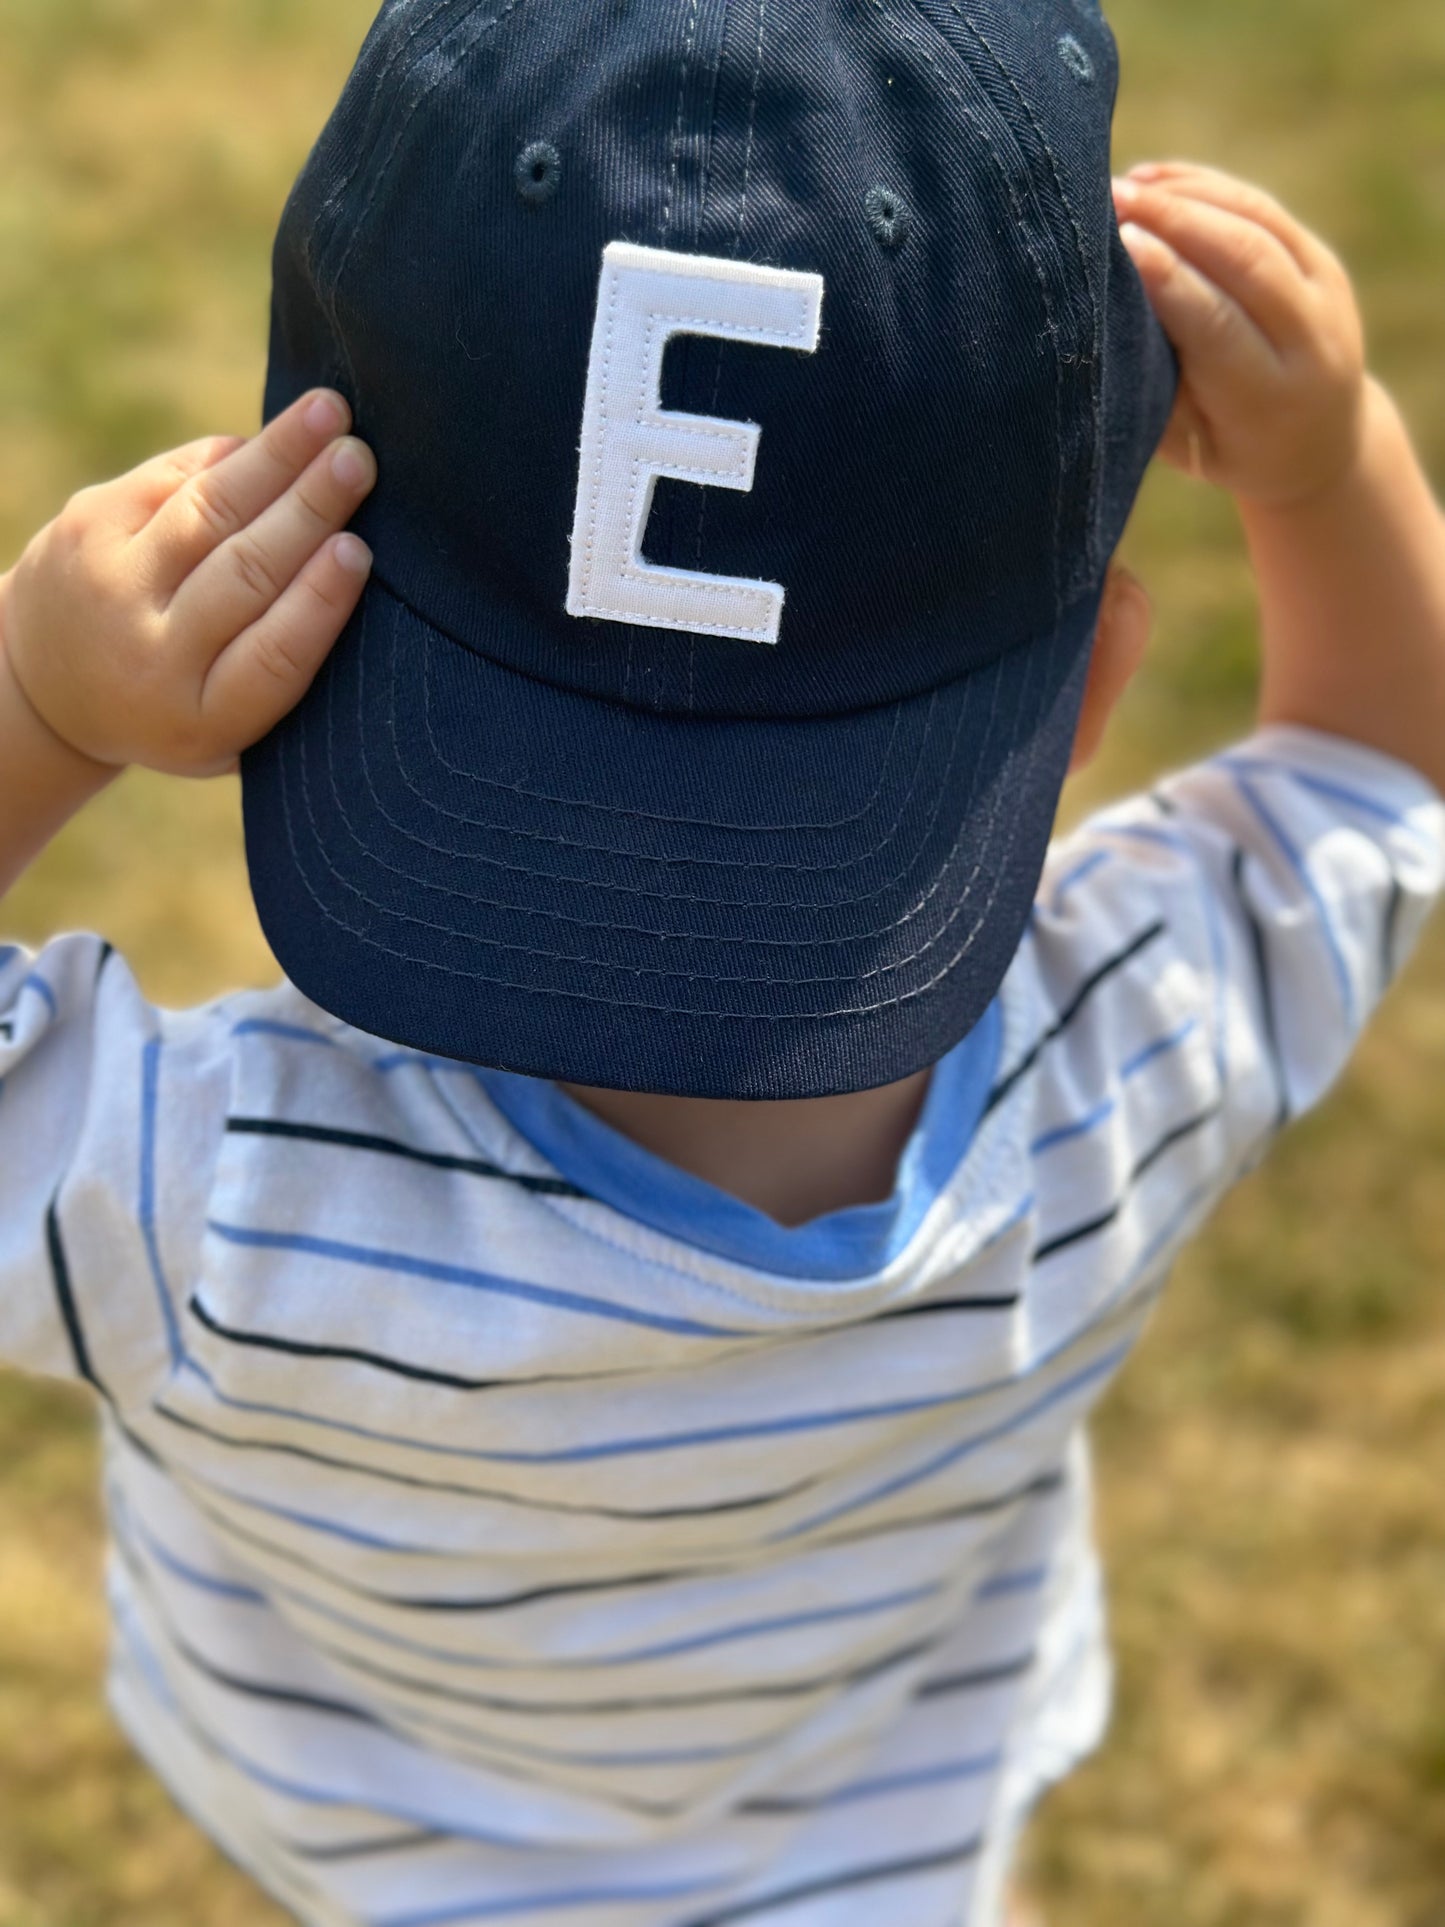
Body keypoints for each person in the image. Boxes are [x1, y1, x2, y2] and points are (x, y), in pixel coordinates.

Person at [1, 2, 1442, 1920]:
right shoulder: (1127, 1068)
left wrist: (41, 701)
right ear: (1093, 675)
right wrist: (1326, 462)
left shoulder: (204, 1211)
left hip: (372, 1866)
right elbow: (1376, 766)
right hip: (891, 1869)